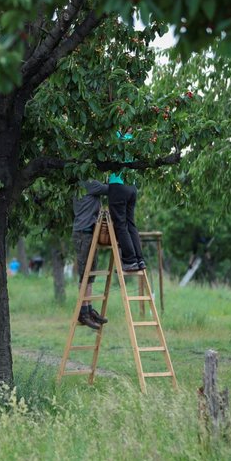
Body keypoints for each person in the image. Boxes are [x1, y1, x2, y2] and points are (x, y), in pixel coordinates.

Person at [72, 179, 110, 330]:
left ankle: (88, 309)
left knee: (90, 274)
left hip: (89, 234)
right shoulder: (89, 184)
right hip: (83, 234)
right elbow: (110, 189)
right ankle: (83, 312)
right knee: (85, 274)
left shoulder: (81, 184)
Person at [109, 129, 145, 271]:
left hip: (118, 185)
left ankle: (130, 260)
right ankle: (140, 259)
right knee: (131, 224)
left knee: (120, 225)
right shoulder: (135, 139)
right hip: (132, 187)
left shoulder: (115, 136)